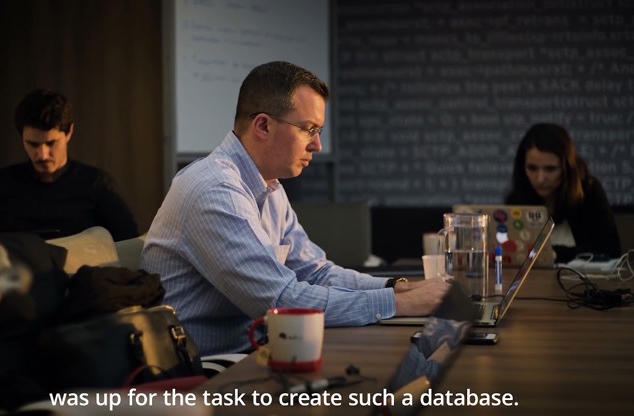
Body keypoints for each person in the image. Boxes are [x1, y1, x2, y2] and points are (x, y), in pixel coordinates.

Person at [141, 61, 448, 356]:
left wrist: (397, 288)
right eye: (308, 129)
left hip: (257, 349)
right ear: (263, 125)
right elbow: (282, 301)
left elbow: (315, 273)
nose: (317, 145)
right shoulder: (214, 190)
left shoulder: (270, 187)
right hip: (207, 369)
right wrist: (400, 304)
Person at [0, 89, 138, 240]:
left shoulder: (97, 184)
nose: (42, 154)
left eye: (51, 143)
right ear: (22, 138)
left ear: (69, 132)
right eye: (33, 144)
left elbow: (129, 241)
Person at [505, 123, 620, 263]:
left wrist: (553, 253)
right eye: (532, 168)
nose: (540, 179)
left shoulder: (588, 192)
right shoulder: (517, 198)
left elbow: (611, 250)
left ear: (567, 168)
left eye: (550, 169)